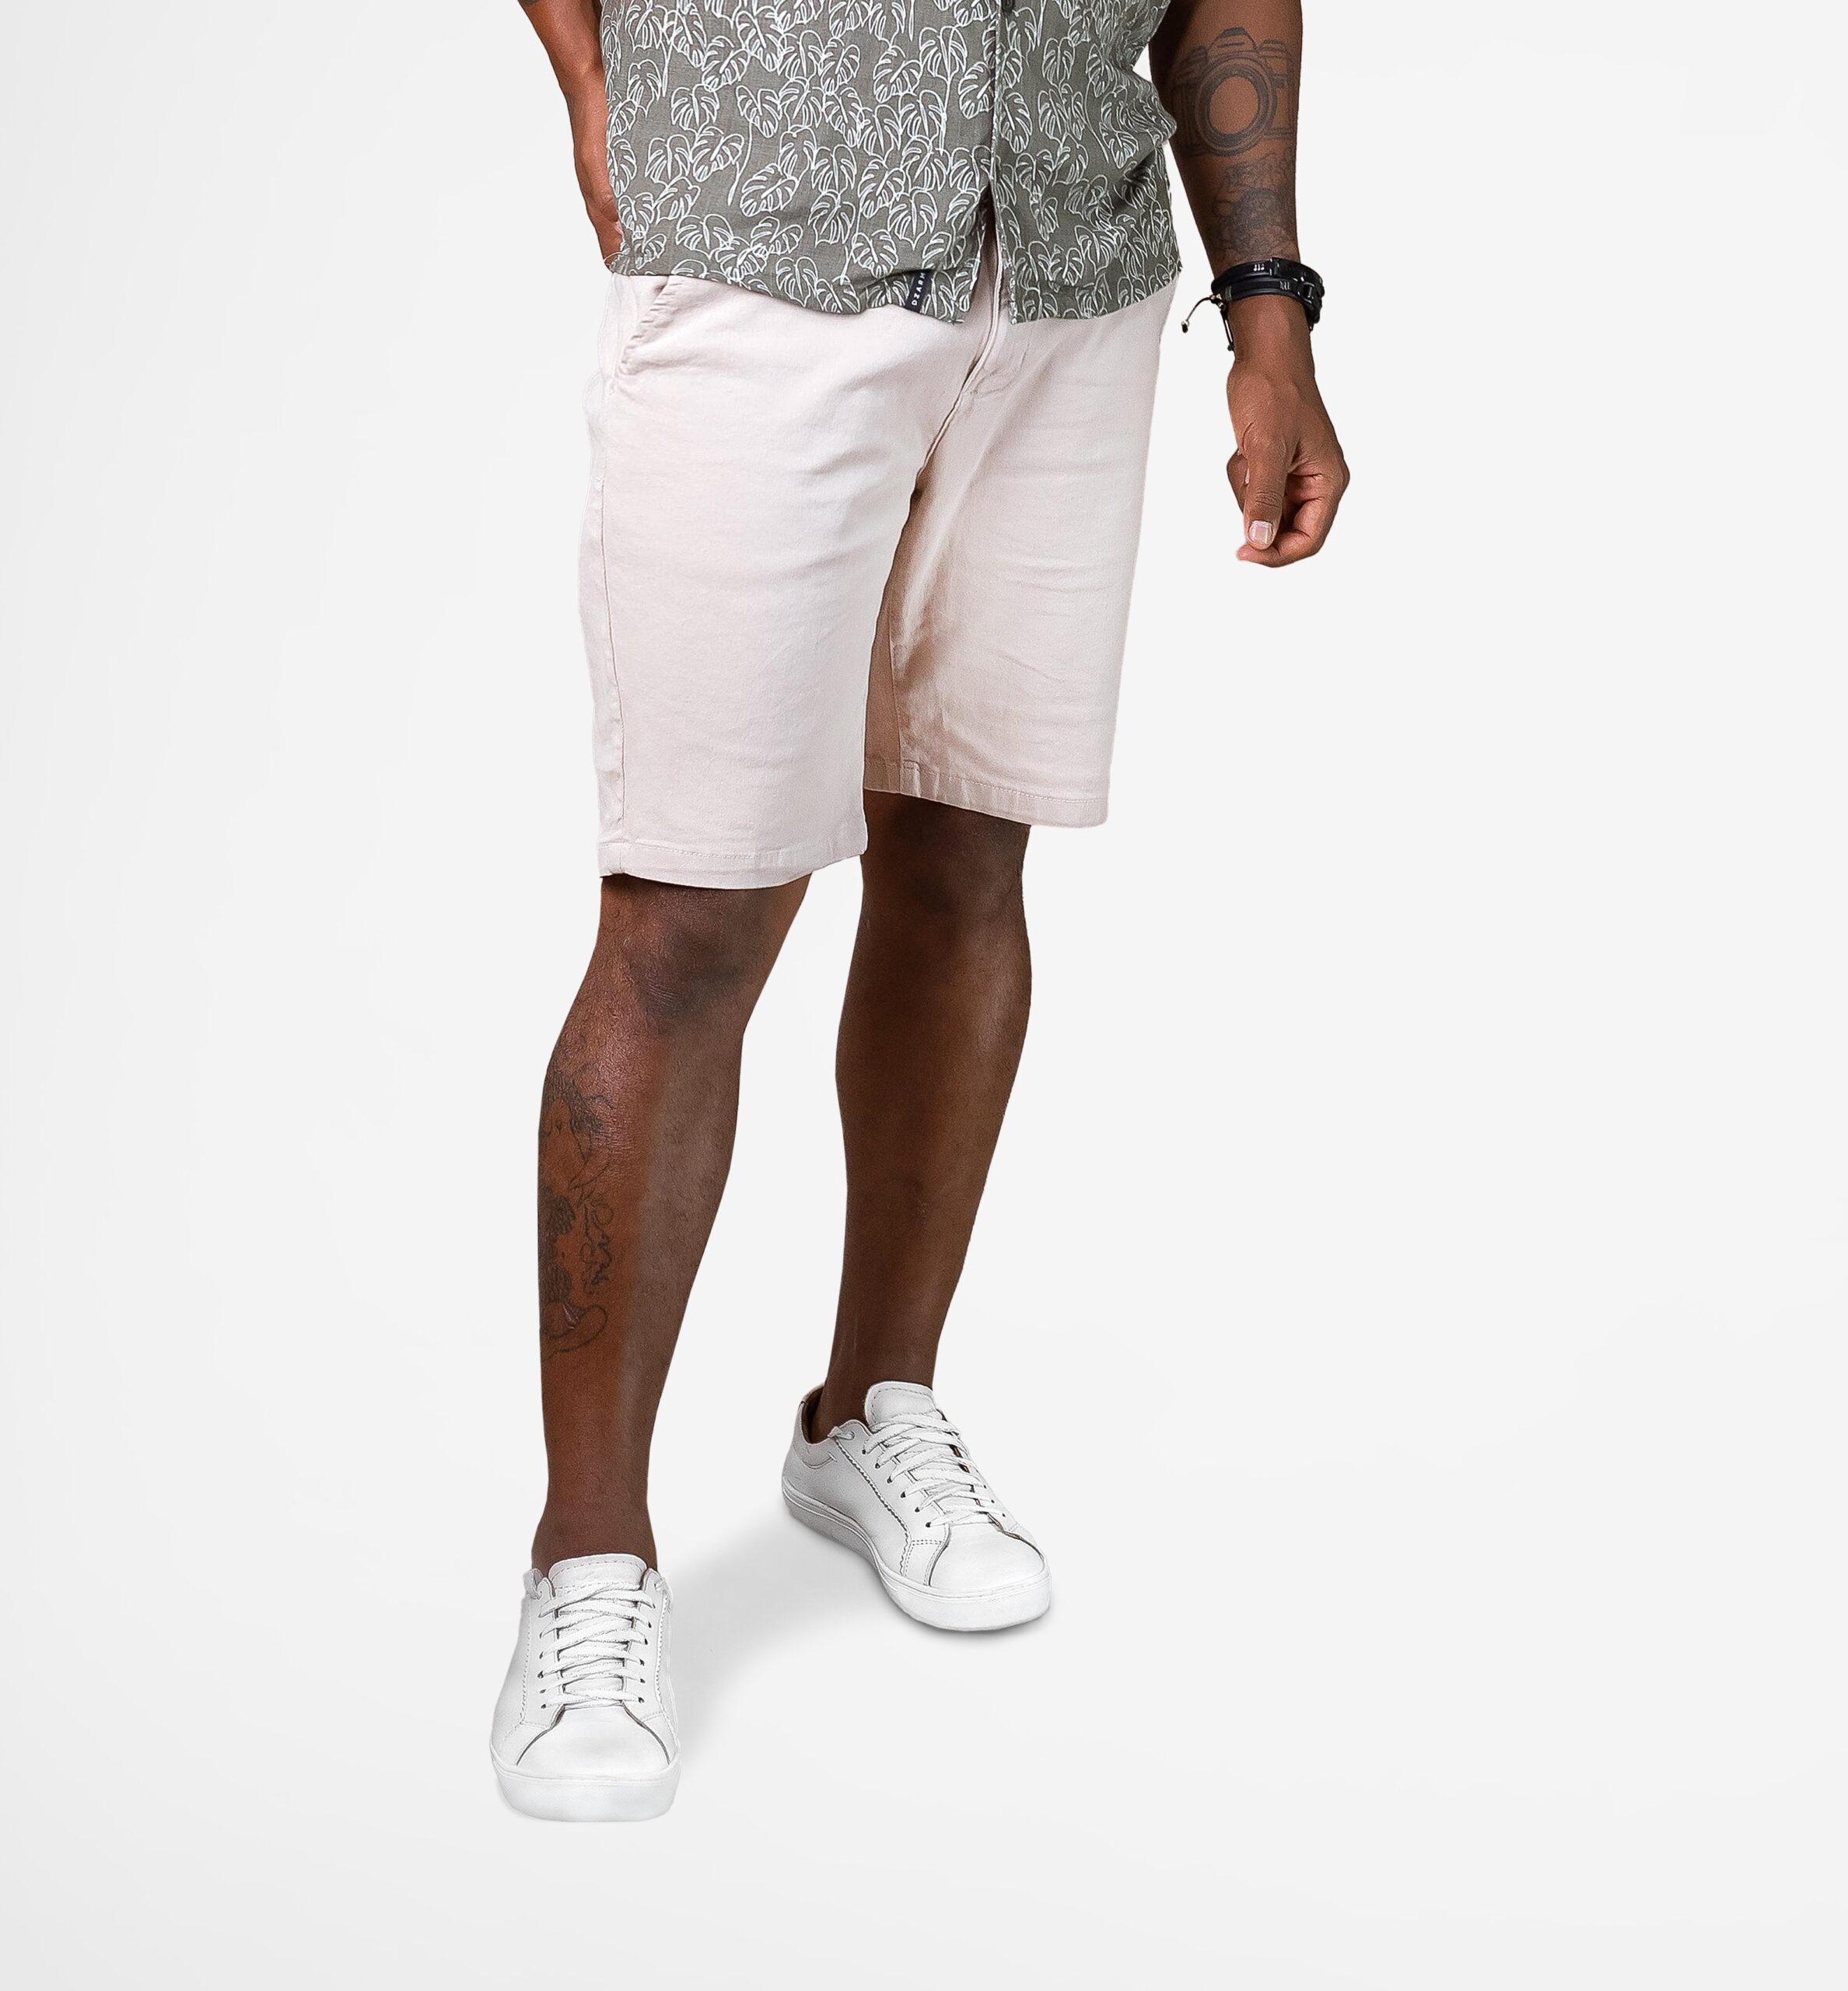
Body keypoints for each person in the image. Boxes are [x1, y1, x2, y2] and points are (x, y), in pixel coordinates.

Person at [490, 0, 1348, 1821]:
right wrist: (588, 86)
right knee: (690, 916)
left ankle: (867, 1408)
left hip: (1068, 275)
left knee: (965, 853)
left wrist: (1264, 305)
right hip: (765, 245)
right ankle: (587, 1552)